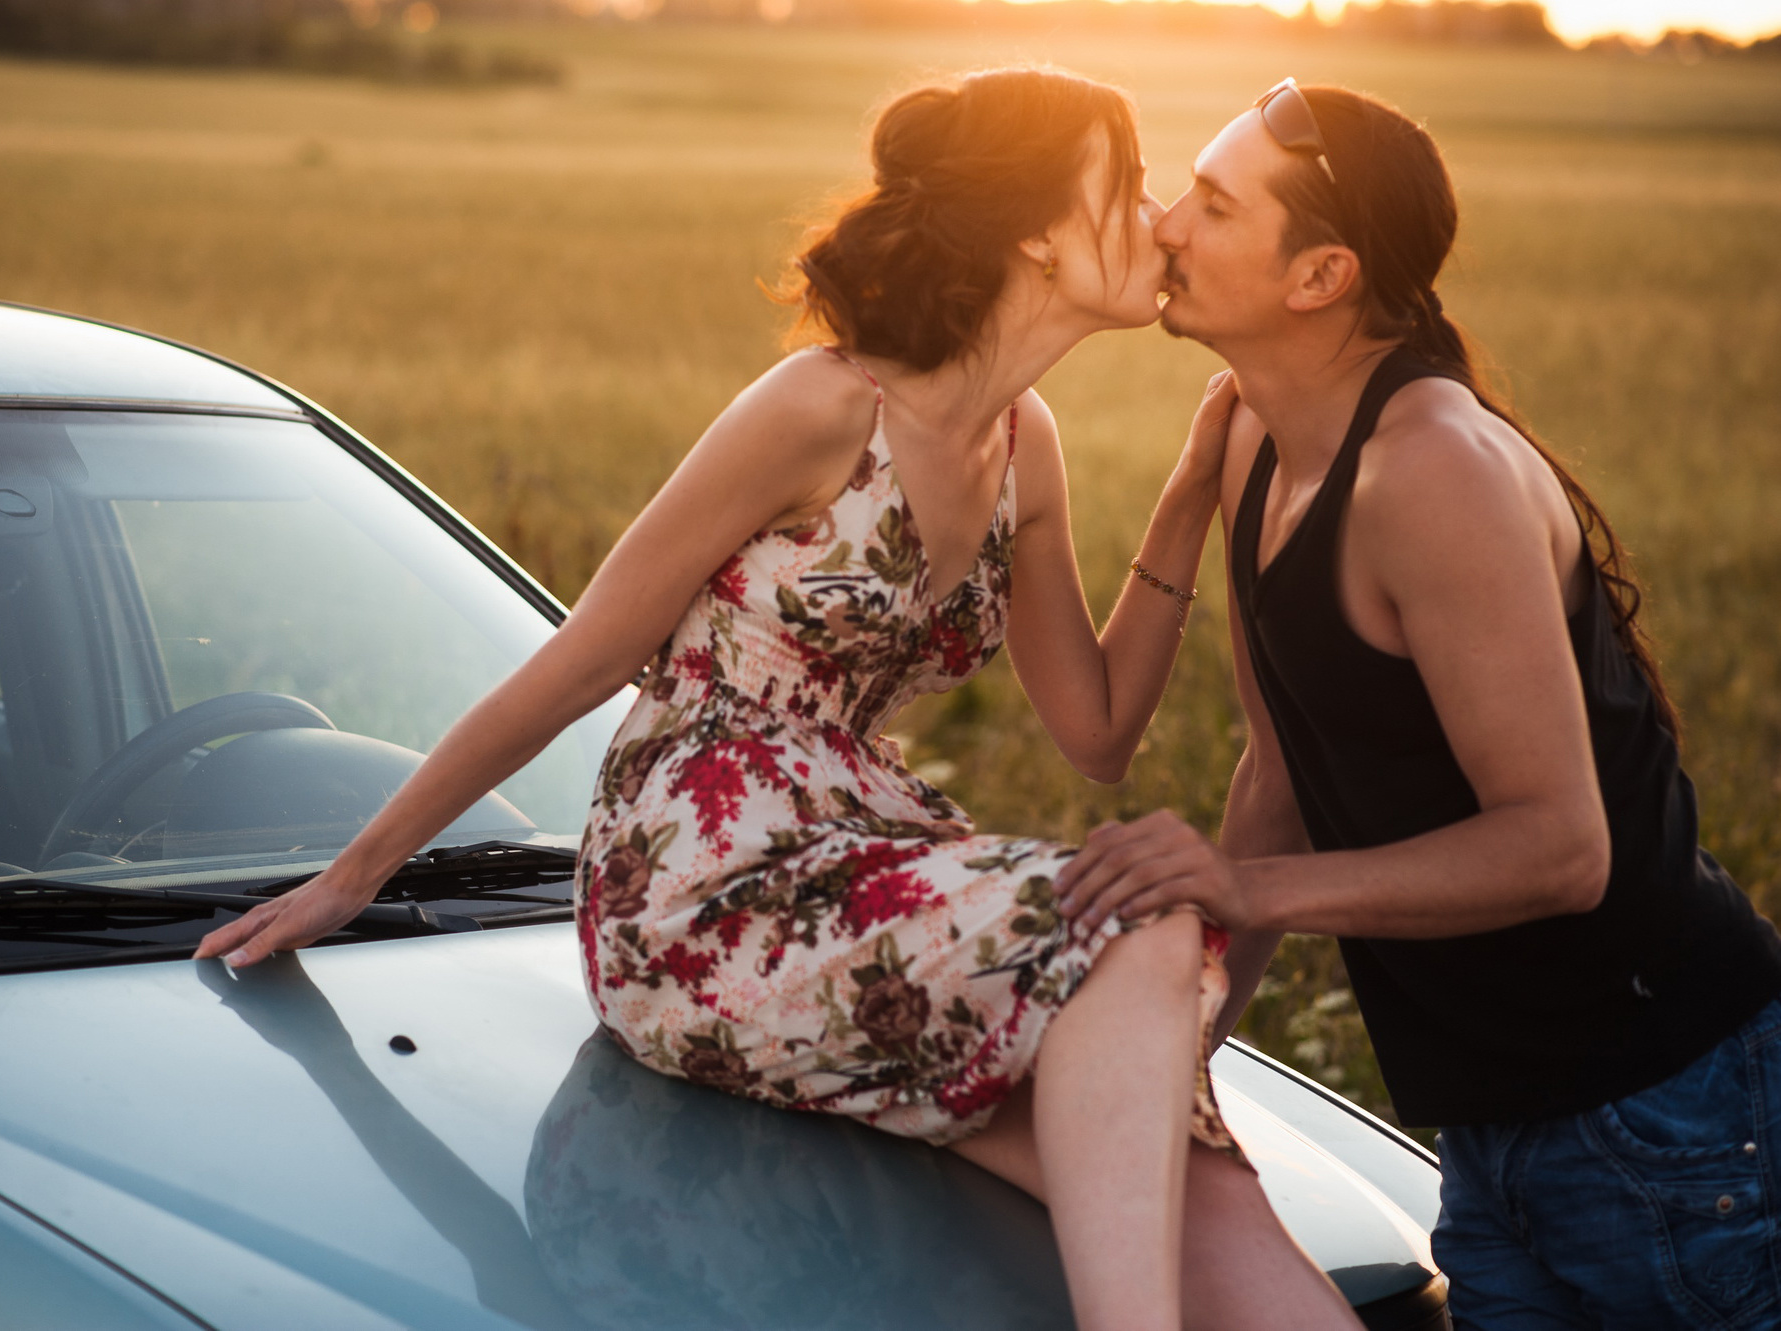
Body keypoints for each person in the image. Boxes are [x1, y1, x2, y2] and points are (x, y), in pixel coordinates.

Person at [197, 66, 1359, 1331]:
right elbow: (585, 654)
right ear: (1033, 228)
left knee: (1192, 1169)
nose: (1157, 214)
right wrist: (356, 873)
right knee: (1136, 931)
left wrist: (1189, 499)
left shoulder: (1027, 441)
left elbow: (1095, 729)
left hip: (858, 856)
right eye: (1122, 182)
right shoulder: (818, 407)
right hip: (700, 883)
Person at [1055, 79, 1781, 1329]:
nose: (1167, 222)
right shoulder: (1253, 439)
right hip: (1488, 1123)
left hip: (1670, 1116)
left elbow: (1559, 846)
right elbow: (1280, 778)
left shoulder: (1431, 469)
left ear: (1319, 275)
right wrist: (1179, 1057)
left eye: (1215, 205)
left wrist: (1243, 891)